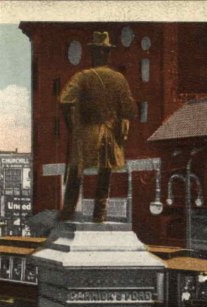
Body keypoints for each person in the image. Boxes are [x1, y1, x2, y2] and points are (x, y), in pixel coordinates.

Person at [58, 31, 136, 223]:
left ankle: (67, 212)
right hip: (110, 134)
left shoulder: (82, 77)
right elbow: (130, 109)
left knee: (77, 172)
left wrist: (72, 126)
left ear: (93, 53)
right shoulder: (119, 79)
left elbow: (64, 100)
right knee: (105, 173)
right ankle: (99, 214)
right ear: (107, 54)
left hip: (86, 133)